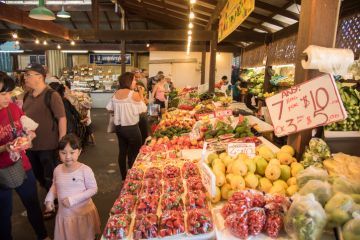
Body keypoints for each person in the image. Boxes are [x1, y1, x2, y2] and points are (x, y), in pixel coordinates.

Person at [0, 71, 50, 240]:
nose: (8, 98)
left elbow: (23, 126)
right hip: (1, 171)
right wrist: (5, 147)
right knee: (3, 213)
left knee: (33, 204)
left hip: (22, 164)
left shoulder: (12, 108)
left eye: (9, 93)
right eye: (3, 94)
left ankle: (42, 235)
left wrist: (28, 134)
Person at [45, 134, 100, 240]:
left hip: (82, 212)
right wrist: (49, 199)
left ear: (79, 152)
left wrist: (72, 200)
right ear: (58, 153)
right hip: (65, 214)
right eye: (63, 153)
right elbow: (55, 186)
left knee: (85, 235)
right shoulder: (57, 169)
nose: (68, 156)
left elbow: (93, 189)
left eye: (72, 152)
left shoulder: (85, 170)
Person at [22, 63, 67, 193]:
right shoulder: (27, 95)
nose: (25, 78)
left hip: (48, 146)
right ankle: (49, 195)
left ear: (40, 77)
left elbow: (62, 118)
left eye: (28, 75)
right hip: (30, 145)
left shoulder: (52, 95)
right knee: (37, 174)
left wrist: (61, 142)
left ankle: (53, 202)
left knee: (51, 176)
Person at [106, 72, 147, 180]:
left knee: (122, 151)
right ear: (128, 81)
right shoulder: (133, 94)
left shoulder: (115, 94)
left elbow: (109, 108)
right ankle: (133, 177)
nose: (135, 82)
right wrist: (141, 94)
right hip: (132, 128)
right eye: (134, 80)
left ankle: (124, 177)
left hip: (119, 128)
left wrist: (120, 111)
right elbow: (143, 109)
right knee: (134, 153)